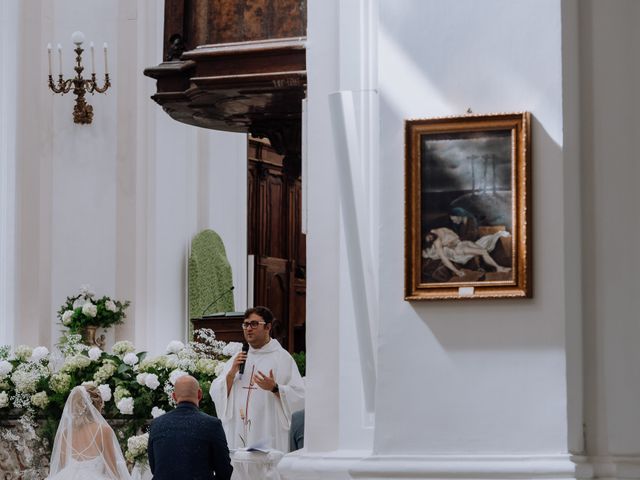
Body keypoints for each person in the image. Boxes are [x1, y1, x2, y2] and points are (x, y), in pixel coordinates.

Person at [210, 306, 305, 452]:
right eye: (246, 324)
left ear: (268, 327)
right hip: (239, 431)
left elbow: (300, 397)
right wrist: (231, 374)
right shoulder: (238, 357)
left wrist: (275, 388)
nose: (248, 328)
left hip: (269, 430)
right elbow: (216, 392)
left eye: (254, 324)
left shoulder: (282, 358)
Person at [147, 375, 232, 480]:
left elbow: (155, 468)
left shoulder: (157, 424)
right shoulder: (212, 424)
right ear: (200, 394)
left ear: (174, 396)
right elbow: (224, 471)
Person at [47, 385, 131, 480]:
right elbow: (112, 470)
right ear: (97, 405)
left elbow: (63, 467)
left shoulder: (65, 434)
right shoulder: (103, 431)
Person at [422, 227, 511, 277]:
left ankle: (495, 266)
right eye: (429, 240)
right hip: (458, 250)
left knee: (484, 245)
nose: (430, 238)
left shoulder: (437, 230)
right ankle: (498, 268)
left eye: (429, 237)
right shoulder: (437, 242)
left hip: (463, 243)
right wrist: (457, 271)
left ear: (429, 232)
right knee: (483, 251)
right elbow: (445, 259)